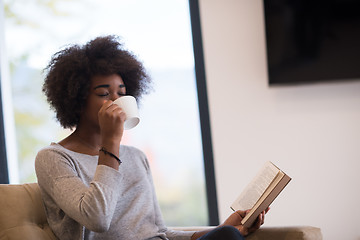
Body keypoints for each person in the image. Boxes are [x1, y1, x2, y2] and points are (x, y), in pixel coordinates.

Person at [35, 35, 266, 240]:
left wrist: (222, 230)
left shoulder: (136, 157)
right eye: (104, 94)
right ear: (76, 98)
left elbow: (159, 233)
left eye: (122, 94)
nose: (116, 101)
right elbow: (97, 219)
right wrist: (111, 142)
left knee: (227, 235)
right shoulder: (55, 158)